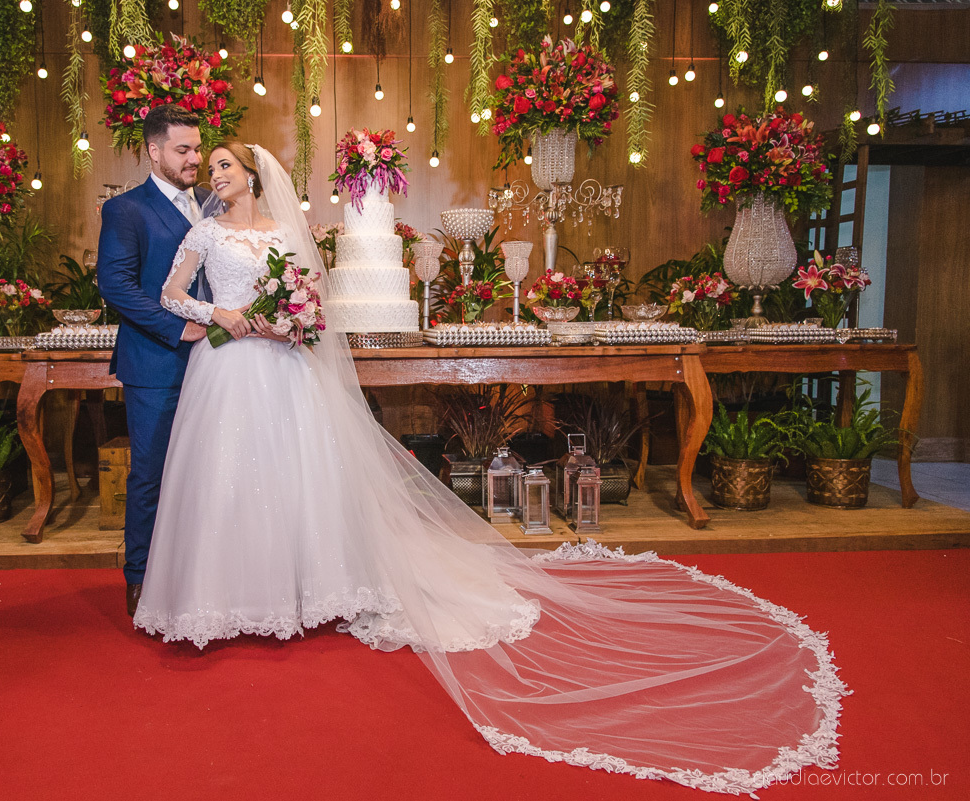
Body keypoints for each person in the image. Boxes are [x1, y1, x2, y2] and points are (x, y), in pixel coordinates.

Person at [134, 142, 849, 795]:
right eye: (212, 167)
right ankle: (229, 595)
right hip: (226, 372)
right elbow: (170, 294)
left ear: (254, 177)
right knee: (228, 481)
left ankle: (302, 590)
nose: (217, 175)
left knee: (294, 481)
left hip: (284, 372)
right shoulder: (202, 233)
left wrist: (290, 319)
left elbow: (310, 300)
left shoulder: (290, 236)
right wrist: (221, 312)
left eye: (227, 166)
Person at [96, 104, 219, 617]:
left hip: (218, 364)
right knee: (151, 473)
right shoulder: (127, 210)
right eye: (182, 150)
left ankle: (199, 575)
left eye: (197, 148)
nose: (195, 159)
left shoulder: (216, 203)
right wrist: (178, 326)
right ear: (154, 150)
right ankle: (141, 578)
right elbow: (115, 284)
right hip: (156, 363)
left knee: (209, 473)